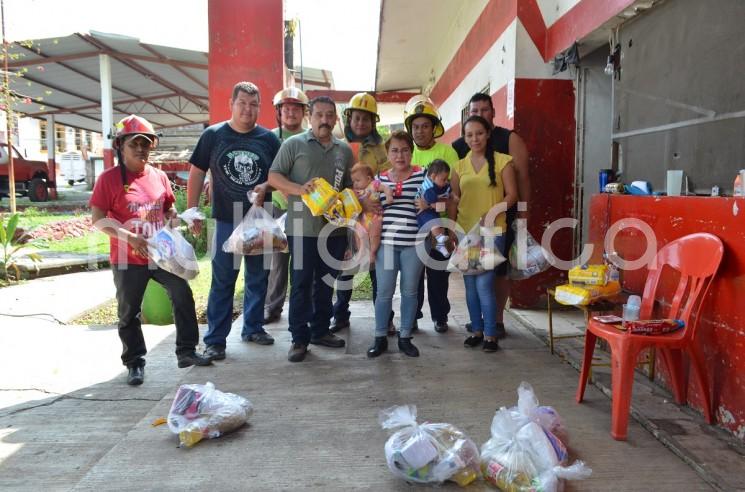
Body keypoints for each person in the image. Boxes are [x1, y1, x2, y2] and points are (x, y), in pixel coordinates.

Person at [90, 114, 212, 386]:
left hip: (161, 255)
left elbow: (168, 210)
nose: (141, 149)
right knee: (129, 311)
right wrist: (128, 237)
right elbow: (98, 219)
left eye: (146, 144)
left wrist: (183, 219)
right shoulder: (108, 179)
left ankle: (187, 351)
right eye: (135, 144)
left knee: (182, 294)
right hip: (127, 258)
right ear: (121, 146)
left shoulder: (158, 177)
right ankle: (134, 362)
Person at [186, 81, 281, 362]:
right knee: (223, 280)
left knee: (258, 277)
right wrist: (192, 209)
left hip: (259, 220)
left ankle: (253, 327)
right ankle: (215, 339)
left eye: (253, 105)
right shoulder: (213, 135)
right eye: (242, 103)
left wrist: (266, 187)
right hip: (226, 220)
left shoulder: (269, 140)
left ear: (259, 108)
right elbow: (196, 172)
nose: (247, 110)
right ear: (231, 104)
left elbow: (279, 176)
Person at [267, 96, 354, 363]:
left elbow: (348, 188)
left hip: (335, 230)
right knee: (301, 283)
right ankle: (299, 338)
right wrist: (299, 189)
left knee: (326, 282)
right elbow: (274, 176)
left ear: (336, 119)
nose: (325, 120)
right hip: (301, 228)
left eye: (330, 115)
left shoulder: (344, 150)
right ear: (310, 117)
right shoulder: (294, 144)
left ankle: (319, 331)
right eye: (319, 115)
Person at [452, 92, 530, 338]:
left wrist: (505, 213)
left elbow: (517, 188)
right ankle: (476, 330)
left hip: (494, 228)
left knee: (488, 280)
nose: (475, 138)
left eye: (480, 133)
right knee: (471, 284)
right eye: (470, 134)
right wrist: (447, 227)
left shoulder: (505, 152)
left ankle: (491, 328)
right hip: (466, 229)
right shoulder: (459, 161)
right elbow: (453, 198)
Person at [331, 92, 390, 333]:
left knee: (378, 272)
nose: (361, 123)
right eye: (357, 118)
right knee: (346, 270)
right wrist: (356, 203)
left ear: (373, 122)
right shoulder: (338, 146)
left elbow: (385, 178)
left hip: (373, 218)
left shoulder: (381, 150)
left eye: (366, 119)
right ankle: (340, 315)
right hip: (347, 217)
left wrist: (373, 203)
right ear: (349, 118)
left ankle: (385, 318)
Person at [367, 130, 426, 358]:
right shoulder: (379, 179)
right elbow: (366, 201)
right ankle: (380, 337)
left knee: (410, 292)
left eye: (404, 150)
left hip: (414, 244)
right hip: (387, 245)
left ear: (411, 152)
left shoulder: (423, 175)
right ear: (387, 153)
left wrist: (428, 203)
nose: (399, 155)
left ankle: (405, 337)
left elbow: (440, 198)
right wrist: (369, 202)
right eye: (394, 150)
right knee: (384, 292)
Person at [403, 95, 459, 333]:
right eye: (415, 126)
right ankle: (413, 316)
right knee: (413, 276)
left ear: (434, 127)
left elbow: (454, 192)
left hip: (440, 224)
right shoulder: (406, 153)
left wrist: (450, 228)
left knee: (438, 274)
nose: (420, 131)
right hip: (412, 226)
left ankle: (440, 317)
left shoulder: (448, 153)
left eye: (425, 126)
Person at [263, 87, 309, 325]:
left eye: (295, 108)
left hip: (305, 208)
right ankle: (273, 306)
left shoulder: (310, 138)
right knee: (278, 260)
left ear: (303, 112)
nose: (290, 112)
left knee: (304, 261)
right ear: (279, 112)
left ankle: (305, 309)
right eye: (286, 108)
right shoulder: (270, 138)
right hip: (278, 207)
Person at [350, 162, 393, 260]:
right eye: (353, 181)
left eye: (357, 180)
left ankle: (372, 252)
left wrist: (389, 196)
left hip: (375, 217)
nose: (355, 184)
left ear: (368, 179)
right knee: (358, 234)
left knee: (375, 234)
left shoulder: (374, 185)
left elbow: (386, 187)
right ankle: (361, 251)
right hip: (362, 219)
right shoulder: (355, 192)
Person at [415, 159, 451, 257]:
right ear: (433, 176)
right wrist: (431, 205)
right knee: (434, 224)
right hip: (423, 213)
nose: (446, 182)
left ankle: (441, 246)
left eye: (447, 179)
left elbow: (447, 203)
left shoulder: (437, 183)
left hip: (431, 212)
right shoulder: (429, 188)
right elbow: (434, 202)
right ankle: (439, 238)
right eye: (444, 179)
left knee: (438, 227)